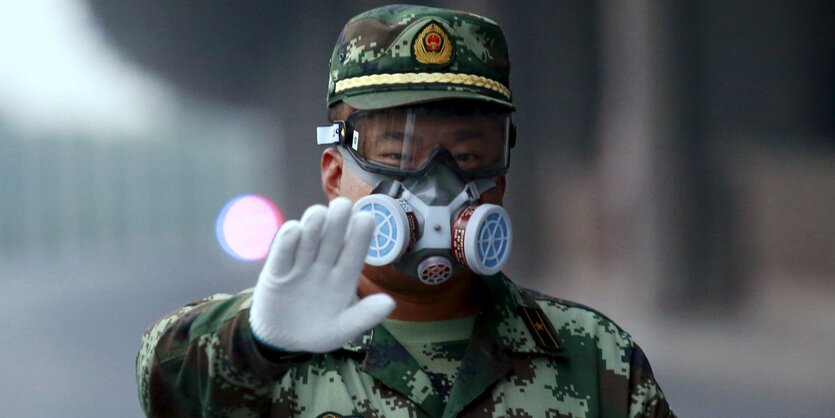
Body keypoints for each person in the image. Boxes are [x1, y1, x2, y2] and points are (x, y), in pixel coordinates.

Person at [136, 5, 674, 417]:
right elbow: (162, 382)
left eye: (468, 156)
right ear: (333, 174)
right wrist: (256, 343)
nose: (437, 184)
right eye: (396, 155)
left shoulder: (594, 356)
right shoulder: (271, 344)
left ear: (502, 179)